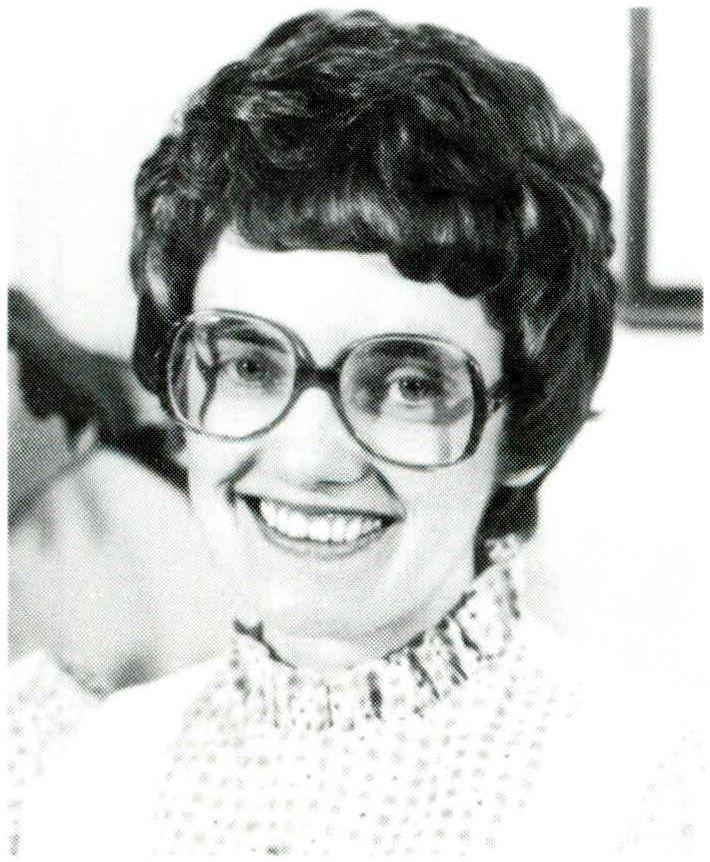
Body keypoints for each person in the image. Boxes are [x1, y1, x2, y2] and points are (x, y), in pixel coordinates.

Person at [7, 10, 707, 858]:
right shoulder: (69, 780)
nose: (309, 459)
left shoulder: (653, 801)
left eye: (409, 384)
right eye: (250, 364)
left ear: (526, 430)